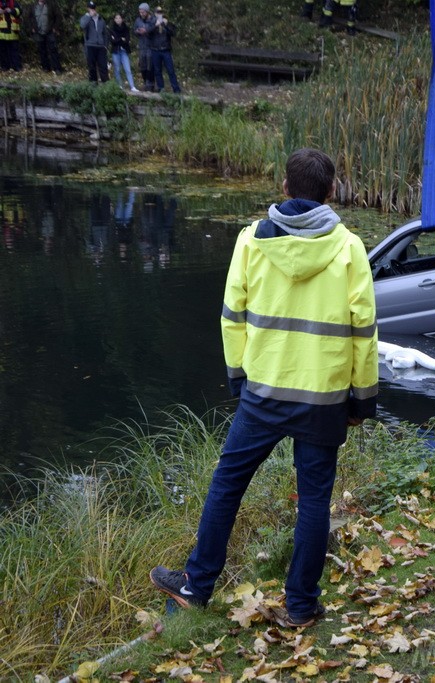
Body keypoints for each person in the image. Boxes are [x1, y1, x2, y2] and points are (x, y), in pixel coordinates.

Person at [150, 148, 378, 628]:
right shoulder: (349, 247)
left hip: (264, 394)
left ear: (284, 188)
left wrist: (239, 379)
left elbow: (233, 317)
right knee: (315, 499)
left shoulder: (251, 240)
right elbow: (364, 333)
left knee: (228, 483)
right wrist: (362, 400)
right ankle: (300, 605)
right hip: (324, 398)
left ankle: (197, 585)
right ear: (331, 192)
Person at [147, 5, 178, 93]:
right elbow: (148, 34)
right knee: (157, 71)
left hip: (166, 50)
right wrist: (155, 26)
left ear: (163, 13)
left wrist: (166, 25)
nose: (159, 14)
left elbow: (173, 33)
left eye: (161, 12)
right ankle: (161, 88)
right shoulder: (152, 23)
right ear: (155, 13)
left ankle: (176, 89)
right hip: (155, 50)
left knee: (170, 70)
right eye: (157, 12)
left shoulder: (168, 23)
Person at [28, 0, 62, 73]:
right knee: (42, 51)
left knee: (53, 50)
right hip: (38, 32)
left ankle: (57, 68)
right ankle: (46, 68)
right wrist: (32, 28)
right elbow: (29, 18)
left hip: (50, 31)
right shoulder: (33, 6)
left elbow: (58, 16)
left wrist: (55, 28)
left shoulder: (52, 4)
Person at [79, 0, 108, 83]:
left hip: (101, 46)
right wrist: (89, 16)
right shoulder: (85, 18)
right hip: (90, 45)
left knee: (103, 66)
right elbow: (82, 25)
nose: (92, 10)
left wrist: (105, 45)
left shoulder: (101, 19)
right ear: (88, 9)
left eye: (93, 8)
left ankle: (106, 84)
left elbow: (105, 33)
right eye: (90, 8)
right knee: (91, 66)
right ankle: (93, 84)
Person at [109, 13, 139, 91]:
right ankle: (120, 86)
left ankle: (132, 86)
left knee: (127, 69)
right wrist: (121, 39)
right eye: (116, 18)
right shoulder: (112, 29)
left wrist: (118, 39)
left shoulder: (126, 28)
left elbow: (127, 39)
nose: (118, 19)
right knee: (117, 69)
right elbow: (113, 41)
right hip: (115, 51)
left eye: (119, 18)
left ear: (122, 19)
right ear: (114, 19)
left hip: (124, 51)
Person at [133, 2, 155, 91]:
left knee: (150, 66)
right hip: (142, 46)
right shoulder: (138, 20)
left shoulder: (153, 19)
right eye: (140, 12)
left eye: (143, 12)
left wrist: (146, 31)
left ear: (147, 11)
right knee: (143, 66)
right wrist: (137, 31)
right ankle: (146, 82)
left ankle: (151, 84)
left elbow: (155, 31)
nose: (141, 14)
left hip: (151, 46)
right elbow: (134, 30)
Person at [0, 0, 22, 72]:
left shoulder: (13, 2)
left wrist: (11, 10)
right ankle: (5, 67)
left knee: (14, 51)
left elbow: (20, 11)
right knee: (3, 52)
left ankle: (17, 67)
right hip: (1, 33)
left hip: (13, 31)